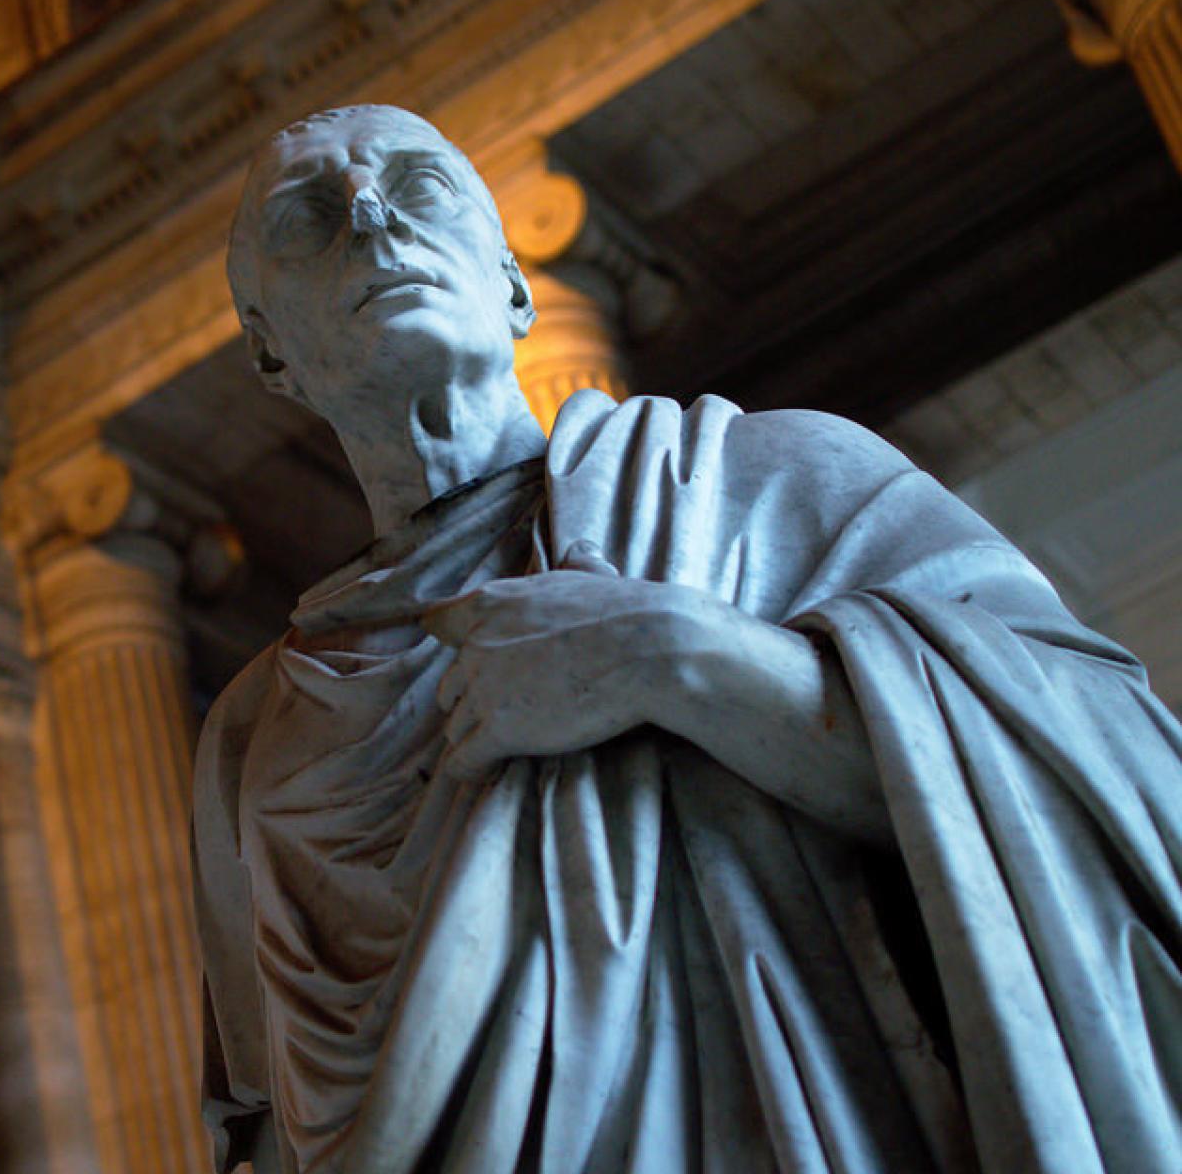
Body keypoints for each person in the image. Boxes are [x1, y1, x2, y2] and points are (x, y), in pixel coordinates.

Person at [193, 104, 1182, 1174]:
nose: (374, 221)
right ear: (268, 355)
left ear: (513, 281)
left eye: (418, 187)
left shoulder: (770, 478)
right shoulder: (256, 736)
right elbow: (264, 1131)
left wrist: (677, 655)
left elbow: (1106, 768)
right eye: (308, 217)